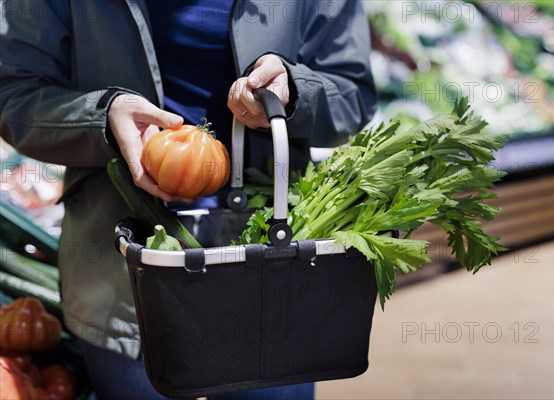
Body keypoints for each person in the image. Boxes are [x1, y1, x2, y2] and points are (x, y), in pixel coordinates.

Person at [0, 1, 377, 399]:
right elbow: (13, 95)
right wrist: (102, 118)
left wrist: (295, 92)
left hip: (274, 276)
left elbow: (353, 96)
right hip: (122, 279)